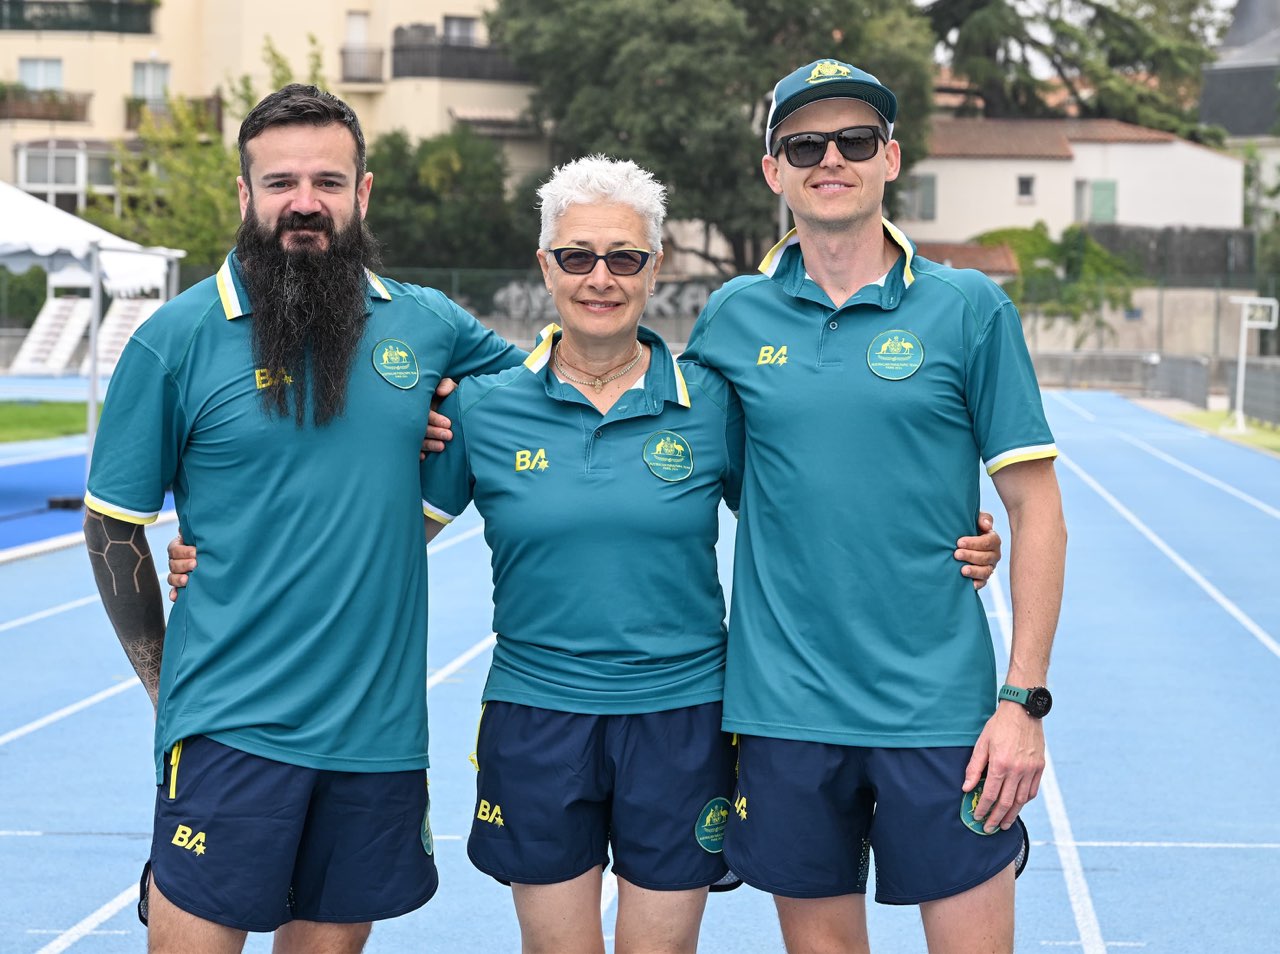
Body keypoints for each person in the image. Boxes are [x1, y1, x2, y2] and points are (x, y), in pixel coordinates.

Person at [166, 154, 1006, 954]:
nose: (599, 277)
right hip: (537, 719)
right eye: (577, 256)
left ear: (655, 268)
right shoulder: (484, 410)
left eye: (623, 257)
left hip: (682, 720)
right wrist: (231, 556)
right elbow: (378, 536)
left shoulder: (713, 402)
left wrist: (944, 535)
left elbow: (810, 505)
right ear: (546, 265)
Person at [82, 84, 526, 953]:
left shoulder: (426, 324)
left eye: (328, 181)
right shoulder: (175, 338)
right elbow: (111, 527)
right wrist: (166, 687)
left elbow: (531, 391)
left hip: (376, 731)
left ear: (363, 193)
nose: (304, 202)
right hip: (231, 725)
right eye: (280, 182)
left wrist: (441, 419)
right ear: (245, 194)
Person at [677, 58, 1069, 953]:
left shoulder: (968, 308)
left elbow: (1036, 510)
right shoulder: (731, 317)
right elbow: (687, 464)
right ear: (773, 171)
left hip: (941, 711)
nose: (832, 159)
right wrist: (455, 404)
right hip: (785, 709)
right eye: (804, 145)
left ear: (890, 158)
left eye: (856, 140)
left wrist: (1023, 702)